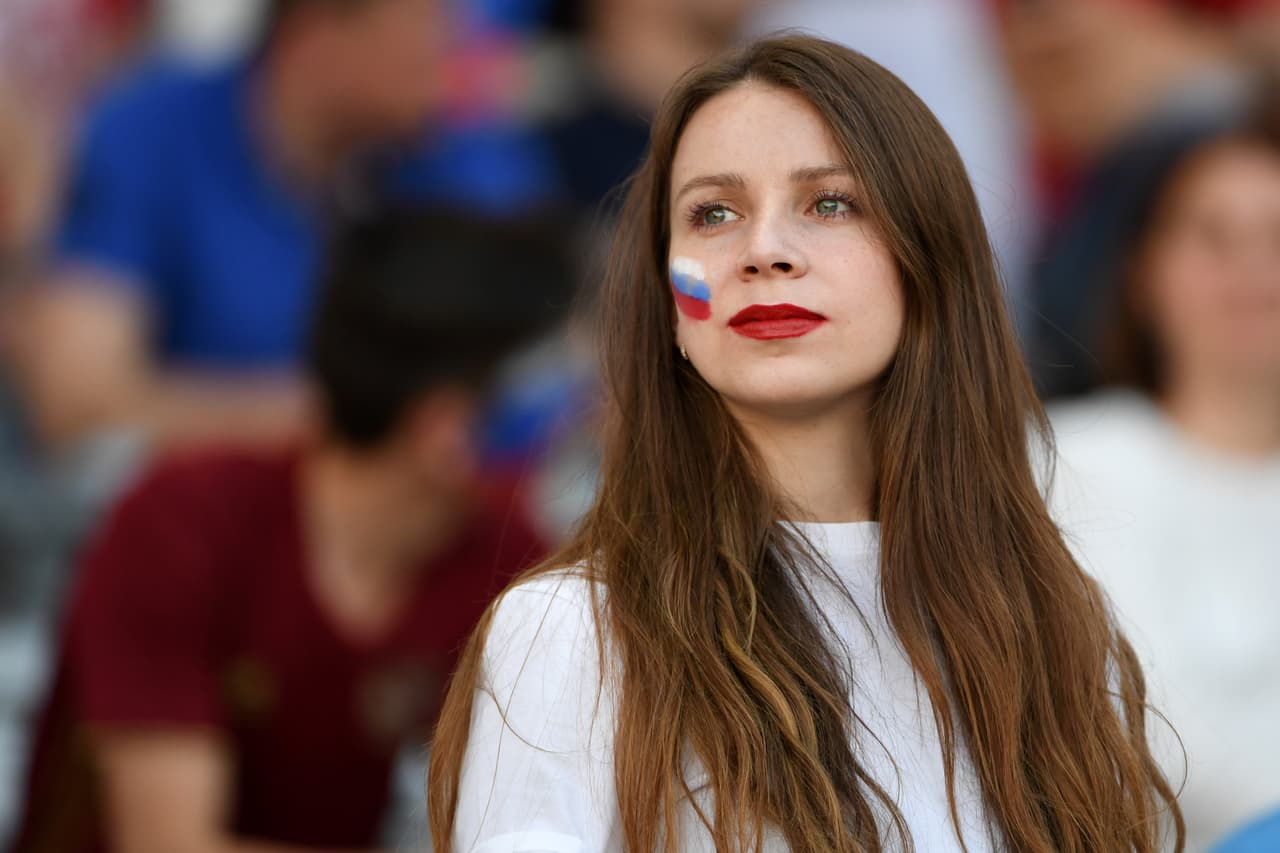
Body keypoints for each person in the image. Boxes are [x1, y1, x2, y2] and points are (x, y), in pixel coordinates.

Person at [428, 35, 1183, 853]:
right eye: (713, 214)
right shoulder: (574, 630)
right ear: (669, 305)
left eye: (829, 203)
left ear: (926, 262)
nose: (763, 251)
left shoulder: (1052, 624)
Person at [10, 208, 572, 853]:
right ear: (445, 430)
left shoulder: (514, 560)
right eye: (552, 393)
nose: (585, 417)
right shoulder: (178, 524)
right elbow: (169, 844)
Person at [5, 0, 454, 452]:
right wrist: (333, 418)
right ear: (315, 32)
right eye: (420, 21)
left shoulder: (437, 164)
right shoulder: (151, 130)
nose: (443, 46)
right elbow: (77, 406)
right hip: (171, 501)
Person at [1049, 101, 1280, 851]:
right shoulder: (1058, 462)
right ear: (1145, 270)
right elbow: (1124, 738)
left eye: (1278, 238)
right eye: (1213, 235)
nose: (1250, 269)